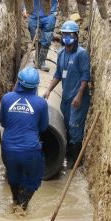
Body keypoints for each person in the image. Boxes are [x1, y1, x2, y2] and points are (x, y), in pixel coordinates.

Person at [0, 67, 49, 211]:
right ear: (36, 86)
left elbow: (3, 123)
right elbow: (43, 127)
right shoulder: (41, 103)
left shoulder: (7, 98)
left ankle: (15, 201)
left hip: (8, 150)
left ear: (19, 83)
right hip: (30, 151)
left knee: (13, 178)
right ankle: (23, 205)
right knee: (33, 178)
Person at [43, 20, 90, 163]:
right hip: (66, 97)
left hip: (78, 98)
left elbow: (85, 77)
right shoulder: (61, 52)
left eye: (70, 34)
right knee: (67, 126)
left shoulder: (81, 54)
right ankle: (68, 154)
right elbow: (58, 73)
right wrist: (49, 90)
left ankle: (74, 161)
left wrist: (79, 96)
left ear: (76, 36)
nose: (67, 37)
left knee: (75, 127)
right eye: (65, 34)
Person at [25, 0, 58, 71]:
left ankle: (42, 61)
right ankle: (37, 56)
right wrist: (24, 9)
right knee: (32, 30)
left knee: (47, 38)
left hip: (49, 14)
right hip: (34, 14)